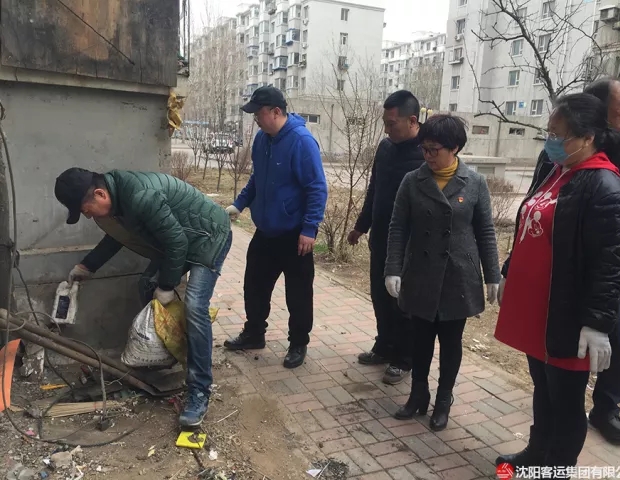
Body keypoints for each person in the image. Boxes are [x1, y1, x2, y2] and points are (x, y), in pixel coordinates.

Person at [494, 93, 620, 471]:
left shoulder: (604, 186)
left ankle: (557, 468)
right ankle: (537, 453)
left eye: (559, 135)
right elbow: (529, 223)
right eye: (549, 132)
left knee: (566, 401)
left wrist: (597, 324)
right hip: (540, 311)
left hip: (568, 314)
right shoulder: (557, 170)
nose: (551, 141)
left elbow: (609, 265)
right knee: (543, 387)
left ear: (588, 138)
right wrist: (510, 270)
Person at [55, 168, 233, 428]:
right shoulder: (117, 200)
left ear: (100, 194)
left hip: (210, 236)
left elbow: (177, 243)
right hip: (182, 239)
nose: (88, 215)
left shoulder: (141, 197)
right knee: (146, 284)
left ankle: (199, 389)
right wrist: (87, 266)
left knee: (195, 306)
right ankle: (162, 354)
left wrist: (167, 286)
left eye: (86, 210)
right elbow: (117, 238)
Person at [384, 114, 500, 430]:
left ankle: (444, 398)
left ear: (455, 147)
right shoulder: (412, 180)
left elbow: (486, 231)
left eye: (434, 150)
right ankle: (418, 394)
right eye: (424, 149)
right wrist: (393, 268)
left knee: (451, 341)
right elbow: (398, 228)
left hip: (457, 276)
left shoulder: (474, 182)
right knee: (420, 339)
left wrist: (492, 274)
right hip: (421, 273)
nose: (428, 156)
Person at [223, 87, 328, 369]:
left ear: (276, 112)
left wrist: (309, 229)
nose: (256, 119)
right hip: (266, 230)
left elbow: (317, 188)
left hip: (295, 234)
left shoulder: (301, 141)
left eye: (259, 113)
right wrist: (239, 204)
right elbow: (257, 179)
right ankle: (254, 333)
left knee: (298, 293)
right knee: (254, 285)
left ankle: (298, 343)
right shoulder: (262, 139)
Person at [347, 90, 424, 385]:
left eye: (392, 124)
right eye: (385, 123)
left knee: (403, 302)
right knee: (380, 296)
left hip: (410, 245)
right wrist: (361, 226)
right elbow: (374, 190)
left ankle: (404, 359)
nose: (387, 129)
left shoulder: (427, 151)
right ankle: (384, 346)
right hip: (381, 238)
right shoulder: (385, 147)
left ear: (412, 121)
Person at [581, 78, 620, 445]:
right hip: (576, 267)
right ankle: (562, 407)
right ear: (601, 108)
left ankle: (606, 409)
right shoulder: (570, 146)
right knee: (567, 339)